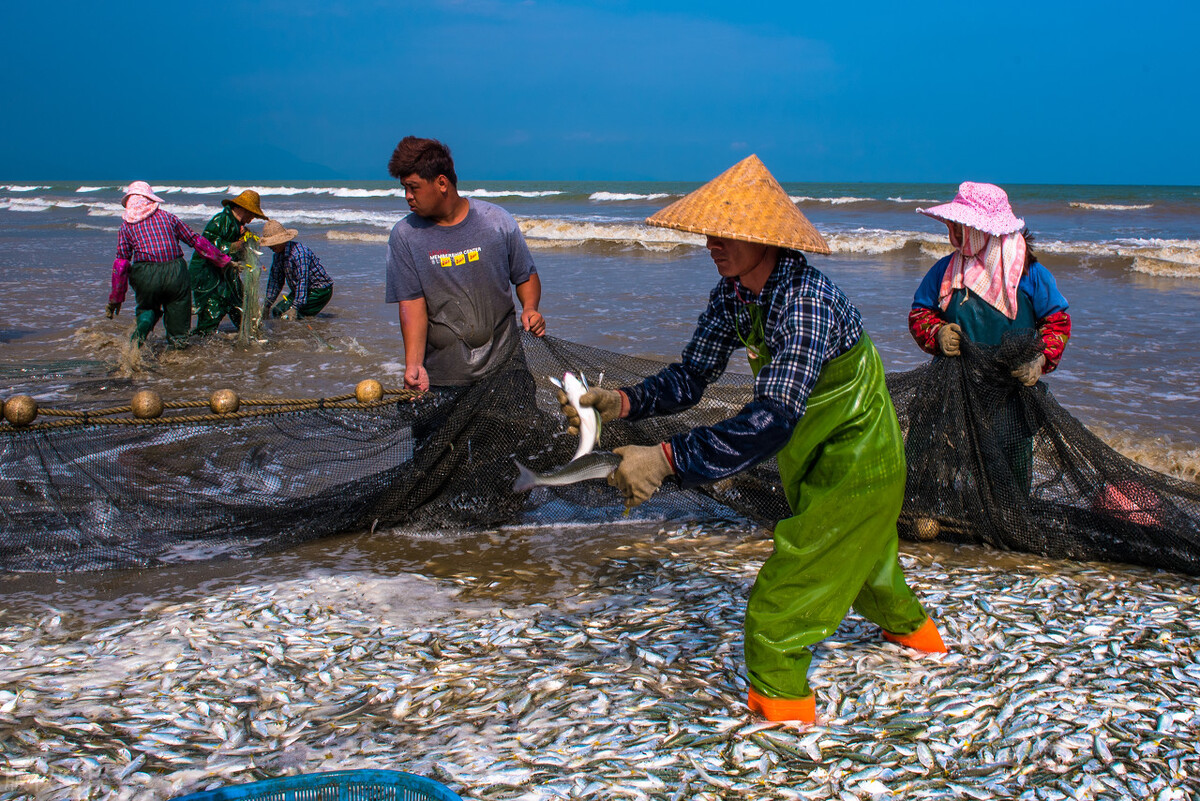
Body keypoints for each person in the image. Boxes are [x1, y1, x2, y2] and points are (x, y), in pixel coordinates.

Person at [559, 155, 945, 724]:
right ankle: (924, 644)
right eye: (711, 233)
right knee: (866, 561)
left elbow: (773, 418)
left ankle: (785, 719)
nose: (715, 244)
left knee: (785, 595)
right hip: (808, 450)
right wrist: (621, 402)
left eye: (730, 234)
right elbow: (692, 377)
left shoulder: (805, 301)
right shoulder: (734, 294)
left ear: (767, 238)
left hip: (858, 456)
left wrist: (668, 458)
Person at [909, 181, 1071, 490]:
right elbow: (919, 312)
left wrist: (1039, 360)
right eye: (952, 226)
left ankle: (1008, 517)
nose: (953, 235)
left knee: (1009, 474)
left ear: (983, 230)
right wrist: (938, 332)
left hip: (1010, 393)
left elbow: (1057, 322)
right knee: (941, 461)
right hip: (953, 387)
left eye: (960, 227)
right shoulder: (945, 272)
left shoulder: (1029, 275)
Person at [384, 136, 546, 390]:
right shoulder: (405, 235)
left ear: (441, 182)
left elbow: (525, 275)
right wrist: (414, 365)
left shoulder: (496, 221)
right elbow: (411, 304)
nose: (407, 196)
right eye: (404, 188)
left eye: (413, 187)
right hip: (443, 378)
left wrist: (530, 308)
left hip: (506, 369)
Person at [106, 182, 231, 349]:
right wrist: (222, 260)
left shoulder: (126, 227)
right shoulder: (168, 217)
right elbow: (195, 240)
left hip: (146, 274)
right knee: (178, 315)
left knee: (147, 309)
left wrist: (116, 298)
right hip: (175, 272)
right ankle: (178, 352)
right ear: (150, 200)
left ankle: (139, 336)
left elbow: (121, 263)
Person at [190, 189, 268, 336]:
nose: (252, 218)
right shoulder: (220, 221)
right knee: (211, 311)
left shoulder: (237, 226)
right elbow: (206, 246)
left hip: (227, 276)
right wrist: (234, 246)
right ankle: (201, 347)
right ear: (242, 209)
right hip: (209, 277)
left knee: (241, 306)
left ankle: (249, 337)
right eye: (252, 214)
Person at [260, 220, 335, 320]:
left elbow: (302, 281)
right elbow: (275, 282)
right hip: (301, 290)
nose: (270, 247)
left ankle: (309, 321)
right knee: (277, 311)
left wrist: (295, 307)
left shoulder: (299, 254)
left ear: (282, 241)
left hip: (320, 290)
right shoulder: (277, 256)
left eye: (273, 244)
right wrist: (267, 305)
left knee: (290, 316)